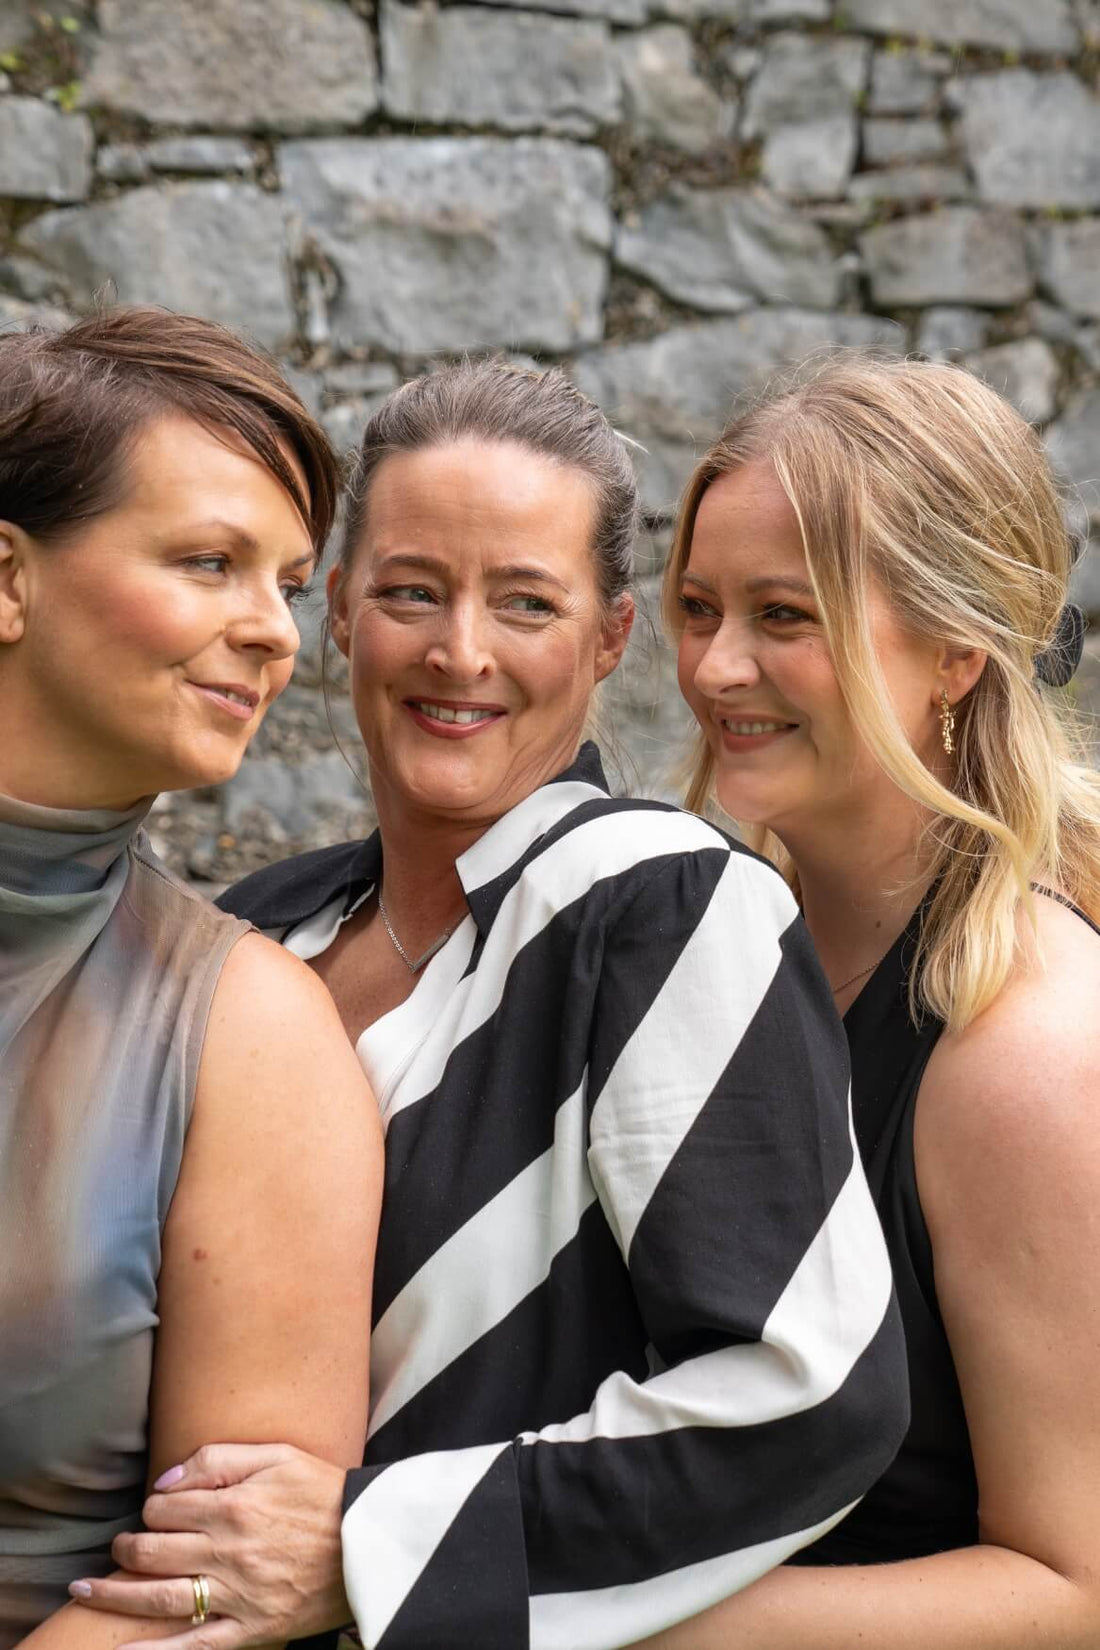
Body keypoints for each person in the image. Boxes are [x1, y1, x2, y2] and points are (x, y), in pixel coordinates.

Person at [70, 359, 909, 1650]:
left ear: (610, 639)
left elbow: (807, 1394)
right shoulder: (254, 928)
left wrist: (374, 1545)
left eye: (526, 602)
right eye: (412, 591)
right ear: (342, 609)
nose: (460, 651)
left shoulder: (664, 906)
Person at [633, 356, 1100, 1646]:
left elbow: (1075, 1589)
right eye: (697, 606)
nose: (717, 667)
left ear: (958, 649)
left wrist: (573, 1608)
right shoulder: (707, 932)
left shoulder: (1026, 1050)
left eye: (785, 616)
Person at [0, 306, 382, 1648]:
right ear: (6, 577)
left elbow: (206, 1597)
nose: (276, 631)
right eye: (212, 561)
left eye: (284, 580)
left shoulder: (249, 1035)